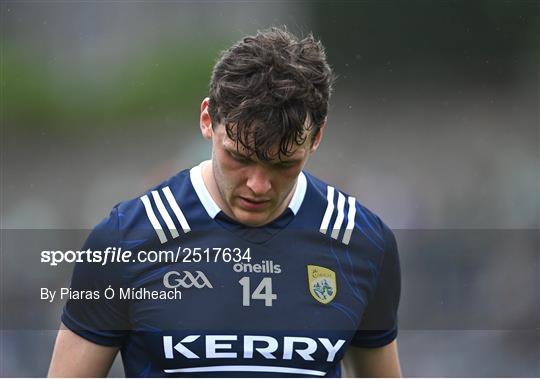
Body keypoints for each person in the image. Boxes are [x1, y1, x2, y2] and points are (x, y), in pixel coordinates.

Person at [48, 27, 401, 378]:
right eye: (240, 158)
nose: (258, 185)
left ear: (317, 137)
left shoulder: (362, 242)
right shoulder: (126, 240)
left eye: (283, 163)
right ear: (207, 120)